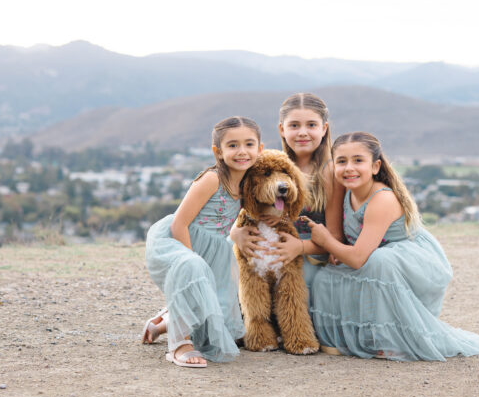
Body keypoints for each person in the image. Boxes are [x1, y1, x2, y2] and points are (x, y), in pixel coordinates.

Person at [302, 131, 479, 361]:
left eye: (358, 160)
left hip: (409, 262)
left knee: (378, 262)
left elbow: (358, 258)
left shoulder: (382, 199)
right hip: (371, 255)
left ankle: (388, 339)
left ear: (376, 166)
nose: (349, 167)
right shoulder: (346, 192)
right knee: (324, 276)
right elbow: (352, 244)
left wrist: (326, 241)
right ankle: (348, 335)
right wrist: (337, 249)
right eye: (341, 161)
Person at [143, 116, 263, 368]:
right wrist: (192, 259)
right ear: (217, 152)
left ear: (260, 149)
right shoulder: (212, 179)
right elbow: (179, 224)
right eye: (232, 146)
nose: (242, 151)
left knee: (212, 312)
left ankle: (160, 324)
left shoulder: (248, 183)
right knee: (194, 273)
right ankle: (179, 345)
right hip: (179, 241)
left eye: (249, 144)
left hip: (216, 250)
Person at [231, 93, 343, 291]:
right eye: (294, 126)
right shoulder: (271, 165)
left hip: (310, 253)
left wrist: (299, 247)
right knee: (228, 267)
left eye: (311, 125)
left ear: (324, 129)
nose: (302, 132)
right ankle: (184, 312)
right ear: (282, 129)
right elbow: (245, 209)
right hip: (270, 242)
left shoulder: (329, 172)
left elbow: (335, 236)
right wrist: (235, 233)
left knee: (289, 282)